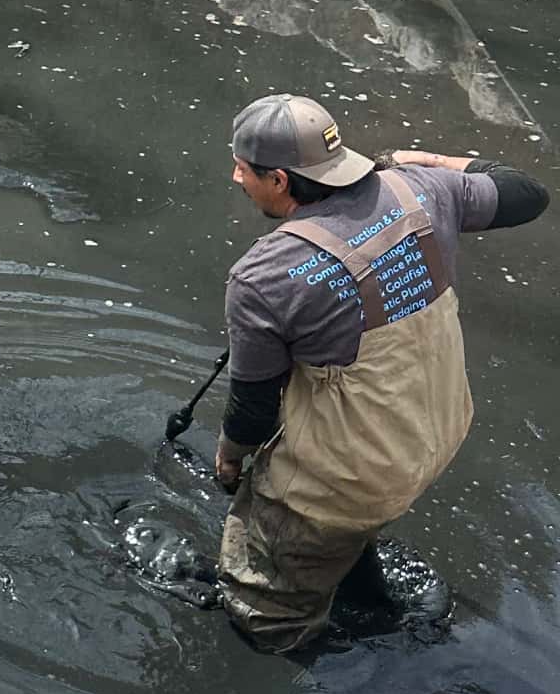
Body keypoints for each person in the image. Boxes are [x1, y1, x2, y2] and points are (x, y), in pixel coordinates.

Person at [214, 92, 547, 653]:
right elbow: (526, 194)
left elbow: (252, 407)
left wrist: (229, 459)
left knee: (263, 617)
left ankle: (328, 669)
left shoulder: (263, 277)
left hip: (352, 476)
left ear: (278, 180)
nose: (235, 177)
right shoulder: (422, 189)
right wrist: (430, 161)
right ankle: (361, 587)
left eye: (244, 170)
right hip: (434, 434)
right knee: (351, 514)